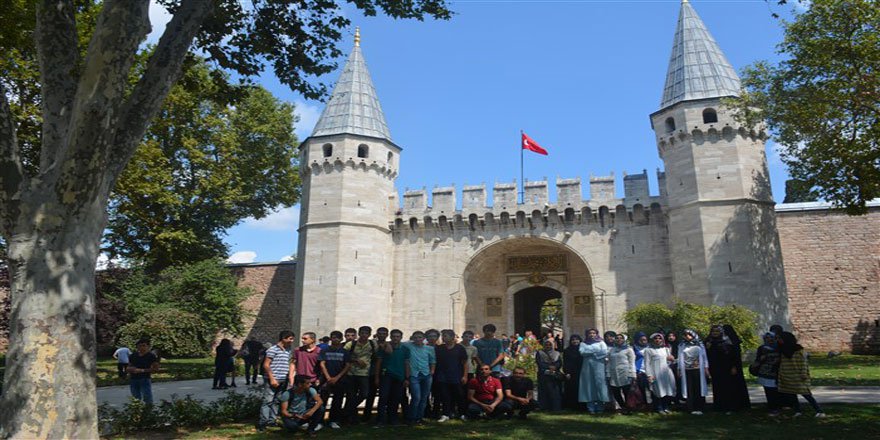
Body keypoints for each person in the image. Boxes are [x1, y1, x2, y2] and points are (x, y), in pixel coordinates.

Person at [778, 332, 825, 418]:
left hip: (798, 377)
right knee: (792, 394)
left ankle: (819, 411)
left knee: (806, 394)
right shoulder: (782, 350)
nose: (779, 340)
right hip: (787, 376)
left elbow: (803, 363)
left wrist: (803, 374)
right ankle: (798, 411)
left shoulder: (799, 350)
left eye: (780, 338)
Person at [705, 325, 750, 413]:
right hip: (715, 369)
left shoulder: (726, 342)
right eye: (713, 331)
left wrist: (733, 366)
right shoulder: (708, 341)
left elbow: (732, 355)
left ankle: (730, 406)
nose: (715, 333)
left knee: (728, 387)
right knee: (717, 388)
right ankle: (719, 407)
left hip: (726, 368)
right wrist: (707, 348)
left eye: (717, 331)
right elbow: (705, 355)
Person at [257, 330, 296, 432]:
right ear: (284, 338)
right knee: (268, 401)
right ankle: (263, 423)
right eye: (290, 339)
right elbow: (266, 365)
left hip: (283, 379)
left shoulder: (288, 350)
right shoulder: (273, 349)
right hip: (273, 379)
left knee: (277, 401)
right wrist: (272, 378)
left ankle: (272, 420)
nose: (292, 341)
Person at [343, 326, 377, 423]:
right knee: (351, 396)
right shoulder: (351, 344)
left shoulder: (372, 344)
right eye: (362, 333)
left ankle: (346, 411)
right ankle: (351, 418)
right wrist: (355, 360)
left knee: (364, 394)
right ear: (359, 334)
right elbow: (344, 355)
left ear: (369, 335)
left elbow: (377, 354)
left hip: (364, 373)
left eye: (366, 333)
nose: (364, 335)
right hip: (351, 373)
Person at [318, 330, 351, 429]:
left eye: (338, 338)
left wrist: (337, 377)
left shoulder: (344, 352)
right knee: (323, 400)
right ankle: (319, 421)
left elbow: (347, 365)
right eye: (333, 337)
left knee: (337, 401)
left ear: (341, 339)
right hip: (326, 379)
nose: (335, 339)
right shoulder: (324, 350)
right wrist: (328, 377)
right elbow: (322, 364)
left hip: (339, 379)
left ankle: (333, 420)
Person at [376, 329, 408, 427]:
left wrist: (407, 378)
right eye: (394, 336)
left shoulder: (405, 349)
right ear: (390, 337)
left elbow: (407, 364)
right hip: (386, 375)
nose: (395, 338)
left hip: (399, 376)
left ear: (401, 338)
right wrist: (377, 377)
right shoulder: (384, 347)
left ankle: (393, 419)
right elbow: (379, 362)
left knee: (395, 399)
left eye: (398, 336)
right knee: (383, 397)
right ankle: (380, 420)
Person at [434, 329, 468, 422]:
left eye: (445, 336)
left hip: (456, 375)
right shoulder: (439, 348)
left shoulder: (460, 348)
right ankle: (445, 414)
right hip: (442, 376)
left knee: (459, 395)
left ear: (452, 337)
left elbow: (465, 363)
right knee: (445, 395)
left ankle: (462, 414)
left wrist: (465, 376)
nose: (443, 338)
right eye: (443, 336)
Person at [404, 330, 436, 425]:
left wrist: (432, 371)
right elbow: (395, 342)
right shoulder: (408, 346)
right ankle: (412, 417)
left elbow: (433, 361)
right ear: (412, 338)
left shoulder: (429, 348)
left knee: (424, 397)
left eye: (420, 337)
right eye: (416, 337)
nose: (418, 339)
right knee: (416, 397)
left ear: (423, 338)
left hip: (426, 375)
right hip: (414, 375)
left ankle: (419, 417)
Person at [578, 328, 610, 414]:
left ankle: (600, 407)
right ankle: (590, 407)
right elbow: (582, 352)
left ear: (596, 334)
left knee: (599, 384)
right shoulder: (583, 343)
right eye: (590, 333)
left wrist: (591, 352)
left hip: (599, 365)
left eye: (594, 333)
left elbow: (605, 352)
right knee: (589, 385)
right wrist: (596, 351)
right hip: (587, 367)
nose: (592, 335)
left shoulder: (601, 342)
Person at [678, 329, 709, 415]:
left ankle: (699, 407)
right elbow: (680, 357)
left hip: (698, 369)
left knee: (698, 387)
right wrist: (679, 369)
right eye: (685, 335)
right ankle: (690, 408)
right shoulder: (682, 345)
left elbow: (704, 357)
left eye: (689, 335)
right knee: (689, 389)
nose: (687, 337)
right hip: (686, 370)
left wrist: (706, 368)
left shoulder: (699, 344)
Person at [644, 332, 676, 414]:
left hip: (666, 372)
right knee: (657, 390)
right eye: (655, 338)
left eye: (659, 338)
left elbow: (670, 362)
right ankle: (659, 408)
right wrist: (649, 375)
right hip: (656, 372)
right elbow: (647, 363)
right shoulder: (648, 350)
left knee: (666, 390)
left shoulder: (666, 349)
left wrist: (672, 360)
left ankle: (666, 407)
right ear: (652, 340)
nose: (657, 340)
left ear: (662, 339)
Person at [363, 327, 389, 423]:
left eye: (384, 334)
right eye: (380, 333)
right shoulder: (372, 344)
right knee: (370, 395)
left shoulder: (388, 344)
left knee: (384, 395)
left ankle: (381, 415)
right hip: (372, 372)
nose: (382, 335)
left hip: (385, 372)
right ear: (377, 334)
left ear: (387, 335)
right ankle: (367, 416)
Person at [753, 332, 782, 416]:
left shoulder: (779, 347)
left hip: (776, 371)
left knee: (776, 391)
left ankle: (777, 407)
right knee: (769, 391)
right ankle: (772, 407)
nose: (770, 340)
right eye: (767, 338)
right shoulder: (762, 348)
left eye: (771, 338)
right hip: (765, 372)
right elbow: (757, 360)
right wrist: (761, 359)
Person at [607, 333, 636, 414]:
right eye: (617, 338)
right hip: (614, 373)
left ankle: (629, 408)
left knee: (626, 391)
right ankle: (622, 406)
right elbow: (609, 362)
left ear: (624, 339)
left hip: (625, 373)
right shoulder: (612, 350)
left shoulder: (629, 349)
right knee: (615, 391)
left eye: (621, 338)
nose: (619, 339)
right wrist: (608, 373)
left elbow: (632, 362)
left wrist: (632, 374)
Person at [127, 339, 159, 404]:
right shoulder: (133, 355)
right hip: (133, 379)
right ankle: (137, 408)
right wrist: (130, 369)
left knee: (147, 397)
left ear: (148, 347)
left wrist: (142, 370)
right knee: (135, 398)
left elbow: (156, 369)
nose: (142, 348)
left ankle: (148, 408)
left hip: (145, 378)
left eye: (144, 346)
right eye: (140, 346)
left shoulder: (151, 356)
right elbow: (128, 367)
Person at [535, 339, 563, 411]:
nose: (548, 346)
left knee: (555, 391)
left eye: (550, 345)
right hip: (543, 374)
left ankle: (555, 407)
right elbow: (539, 362)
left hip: (554, 375)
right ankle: (544, 407)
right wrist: (548, 367)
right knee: (543, 391)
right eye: (546, 345)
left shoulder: (556, 353)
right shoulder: (540, 353)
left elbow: (559, 362)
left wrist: (555, 367)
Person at [562, 334, 583, 410]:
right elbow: (565, 362)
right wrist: (567, 372)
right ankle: (572, 406)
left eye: (577, 339)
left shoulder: (583, 350)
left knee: (581, 388)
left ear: (580, 341)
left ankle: (582, 406)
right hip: (571, 372)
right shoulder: (567, 350)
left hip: (581, 371)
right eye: (573, 340)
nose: (575, 341)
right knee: (572, 389)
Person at [632, 332, 649, 407]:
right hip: (639, 371)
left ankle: (653, 403)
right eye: (641, 340)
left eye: (645, 340)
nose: (643, 341)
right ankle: (643, 404)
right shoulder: (633, 348)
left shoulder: (650, 347)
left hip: (650, 370)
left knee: (651, 388)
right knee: (641, 388)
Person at [665, 331, 683, 404]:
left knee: (677, 382)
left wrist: (675, 360)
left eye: (673, 336)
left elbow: (681, 355)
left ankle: (677, 398)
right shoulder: (665, 345)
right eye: (669, 336)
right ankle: (669, 398)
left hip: (677, 365)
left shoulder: (679, 345)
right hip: (667, 365)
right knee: (668, 382)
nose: (671, 337)